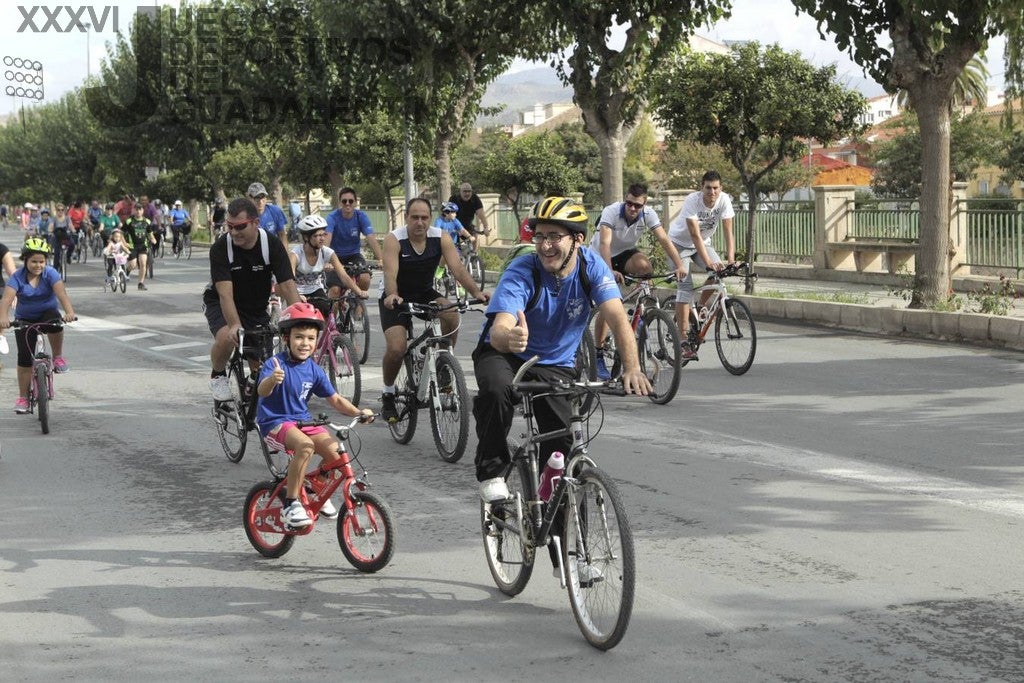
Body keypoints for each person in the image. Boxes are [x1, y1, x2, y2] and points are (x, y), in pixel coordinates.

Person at [473, 196, 651, 501]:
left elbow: (618, 319)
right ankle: (491, 471)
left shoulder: (592, 267)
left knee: (560, 452)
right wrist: (510, 337)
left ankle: (557, 529)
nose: (545, 246)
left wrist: (633, 368)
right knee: (496, 391)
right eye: (540, 236)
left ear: (577, 240)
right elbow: (501, 326)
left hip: (555, 363)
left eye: (554, 237)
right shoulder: (523, 270)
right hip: (505, 354)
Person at [256, 302, 375, 528]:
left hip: (302, 421)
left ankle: (316, 490)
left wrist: (360, 412)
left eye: (311, 338)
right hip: (274, 422)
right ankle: (291, 504)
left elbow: (336, 400)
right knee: (306, 447)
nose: (305, 343)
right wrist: (273, 380)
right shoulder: (275, 363)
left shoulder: (313, 369)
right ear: (286, 338)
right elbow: (262, 390)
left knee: (336, 454)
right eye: (299, 337)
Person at [378, 197, 489, 422]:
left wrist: (476, 293)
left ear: (431, 218)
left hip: (425, 293)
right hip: (396, 296)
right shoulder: (395, 239)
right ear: (407, 218)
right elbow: (390, 273)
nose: (420, 222)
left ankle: (442, 364)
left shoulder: (441, 237)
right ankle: (389, 393)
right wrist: (392, 295)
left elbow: (457, 268)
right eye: (415, 217)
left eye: (424, 217)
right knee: (397, 348)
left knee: (450, 312)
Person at [203, 197, 300, 401]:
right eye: (230, 226)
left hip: (255, 304)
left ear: (256, 223)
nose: (234, 232)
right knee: (227, 337)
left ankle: (253, 382)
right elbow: (224, 294)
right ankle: (218, 375)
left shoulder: (271, 244)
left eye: (240, 227)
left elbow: (287, 286)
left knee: (262, 362)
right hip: (221, 302)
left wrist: (300, 319)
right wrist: (235, 325)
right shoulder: (221, 248)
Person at [590, 183, 686, 379]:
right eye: (629, 204)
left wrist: (679, 265)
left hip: (624, 253)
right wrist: (609, 272)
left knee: (644, 267)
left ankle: (639, 315)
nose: (633, 208)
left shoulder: (648, 214)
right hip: (601, 255)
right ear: (625, 200)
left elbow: (664, 240)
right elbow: (605, 244)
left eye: (637, 206)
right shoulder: (611, 212)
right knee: (609, 302)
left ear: (645, 204)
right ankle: (598, 352)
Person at [0, 237, 77, 413]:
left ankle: (57, 357)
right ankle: (23, 398)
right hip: (24, 319)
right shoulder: (17, 278)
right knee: (25, 359)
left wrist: (69, 312)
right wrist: (3, 318)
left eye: (42, 261)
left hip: (46, 314)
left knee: (55, 321)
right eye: (34, 261)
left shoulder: (51, 274)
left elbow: (62, 294)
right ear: (25, 260)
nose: (38, 265)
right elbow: (6, 300)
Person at [666, 170, 736, 360]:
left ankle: (699, 307)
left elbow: (728, 231)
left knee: (718, 274)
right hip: (678, 245)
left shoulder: (724, 200)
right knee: (686, 287)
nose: (712, 192)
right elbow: (695, 235)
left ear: (721, 188)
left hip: (702, 245)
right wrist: (709, 263)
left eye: (715, 188)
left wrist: (730, 260)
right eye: (708, 188)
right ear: (701, 188)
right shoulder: (692, 201)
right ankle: (681, 340)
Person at [288, 214, 367, 321]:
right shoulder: (296, 254)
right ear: (306, 237)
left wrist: (359, 292)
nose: (322, 238)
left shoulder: (327, 252)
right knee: (301, 321)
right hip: (296, 291)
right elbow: (289, 279)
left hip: (316, 290)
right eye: (317, 236)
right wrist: (297, 295)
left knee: (328, 316)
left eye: (323, 234)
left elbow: (343, 276)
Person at [324, 187, 383, 298]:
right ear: (340, 203)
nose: (347, 204)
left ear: (355, 202)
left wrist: (381, 259)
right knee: (335, 291)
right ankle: (331, 314)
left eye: (351, 201)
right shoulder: (332, 217)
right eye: (344, 201)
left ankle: (359, 309)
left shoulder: (361, 216)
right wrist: (327, 261)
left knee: (365, 277)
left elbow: (371, 239)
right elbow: (327, 239)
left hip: (354, 256)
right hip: (334, 257)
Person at [247, 182, 288, 248]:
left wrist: (285, 256)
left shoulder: (275, 211)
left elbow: (282, 235)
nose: (260, 201)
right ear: (249, 198)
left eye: (263, 197)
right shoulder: (244, 215)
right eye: (257, 198)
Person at [122, 203, 153, 291]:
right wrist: (124, 243)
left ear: (143, 211)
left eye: (140, 209)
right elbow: (121, 233)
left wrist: (153, 239)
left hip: (143, 245)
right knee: (133, 265)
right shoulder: (129, 221)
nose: (138, 211)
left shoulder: (147, 221)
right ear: (134, 210)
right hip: (132, 246)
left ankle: (141, 283)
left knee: (143, 263)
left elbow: (150, 233)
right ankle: (127, 271)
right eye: (136, 209)